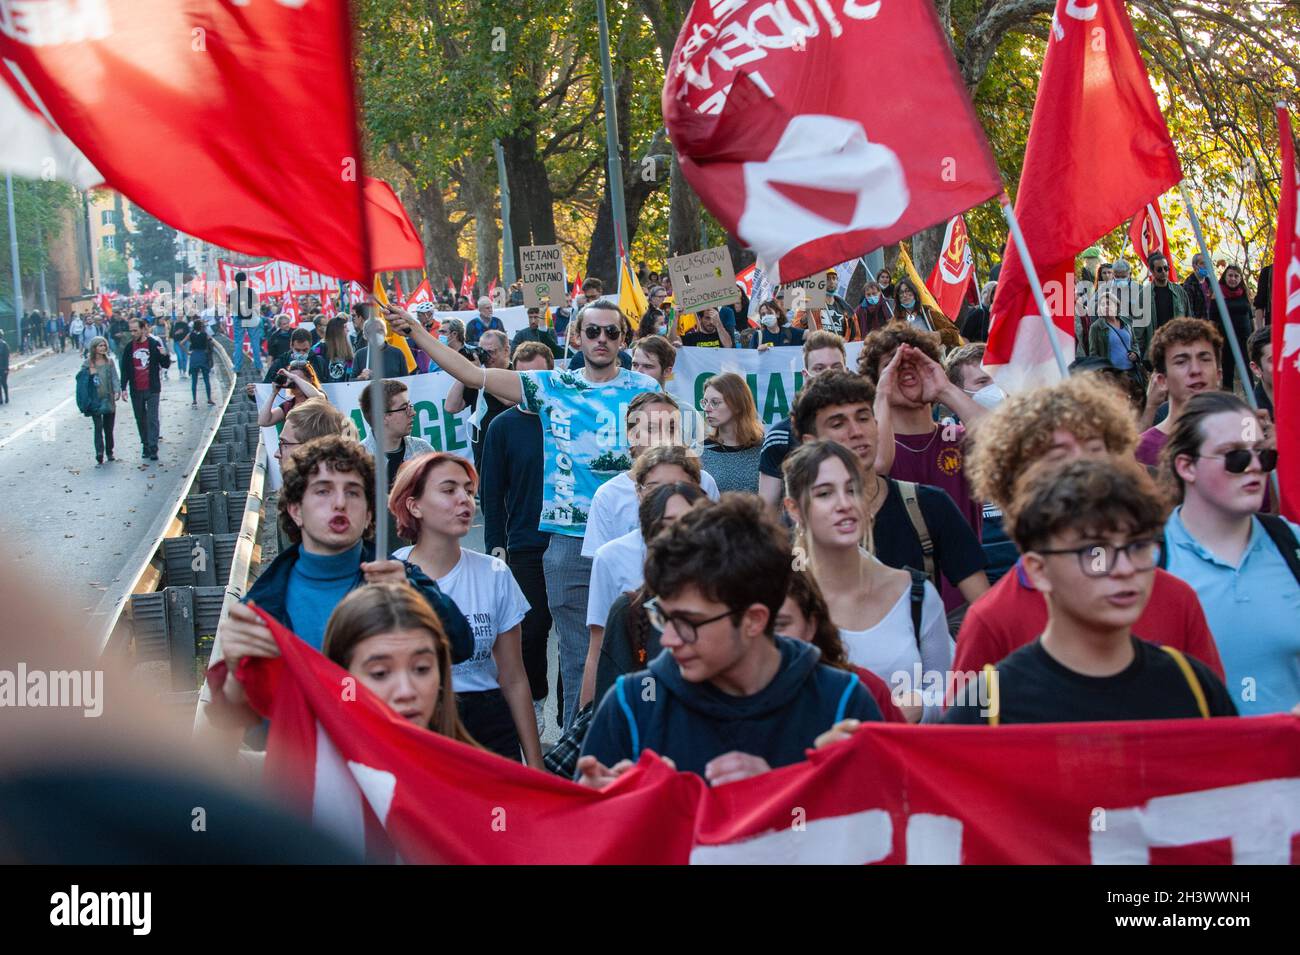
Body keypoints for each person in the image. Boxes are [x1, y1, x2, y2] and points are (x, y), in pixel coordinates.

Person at [387, 298, 658, 730]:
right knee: (576, 654)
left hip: (633, 538)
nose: (602, 339)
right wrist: (415, 334)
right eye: (593, 331)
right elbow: (473, 375)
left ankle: (639, 745)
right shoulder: (551, 386)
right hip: (569, 543)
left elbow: (669, 462)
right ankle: (578, 750)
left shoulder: (647, 390)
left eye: (612, 332)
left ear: (624, 338)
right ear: (576, 336)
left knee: (643, 649)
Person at [576, 494, 882, 787]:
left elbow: (882, 830)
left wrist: (788, 787)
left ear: (754, 620)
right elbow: (586, 835)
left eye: (689, 622)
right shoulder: (632, 706)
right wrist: (599, 809)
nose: (667, 639)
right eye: (663, 616)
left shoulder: (842, 704)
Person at [957, 375, 1224, 680]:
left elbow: (1213, 720)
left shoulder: (1176, 599)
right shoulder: (992, 619)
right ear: (1014, 477)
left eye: (1095, 449)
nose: (1081, 466)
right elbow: (970, 726)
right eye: (1057, 456)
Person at [944, 457, 1237, 724]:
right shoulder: (988, 703)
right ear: (1039, 570)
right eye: (1095, 552)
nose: (1124, 569)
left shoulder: (1193, 685)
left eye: (1138, 547)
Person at [791, 370, 989, 622]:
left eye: (863, 418)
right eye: (838, 423)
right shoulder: (796, 529)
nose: (856, 431)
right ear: (811, 442)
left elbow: (986, 609)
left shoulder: (929, 506)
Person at [390, 453, 544, 767]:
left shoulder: (495, 573)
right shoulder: (389, 576)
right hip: (419, 727)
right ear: (414, 505)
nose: (465, 499)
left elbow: (513, 677)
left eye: (468, 491)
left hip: (489, 727)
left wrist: (536, 765)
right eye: (449, 490)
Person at [783, 439, 952, 721]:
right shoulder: (780, 600)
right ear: (794, 510)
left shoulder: (916, 594)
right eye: (824, 493)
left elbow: (949, 693)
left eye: (853, 490)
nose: (844, 504)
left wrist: (920, 706)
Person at [1162, 391, 1298, 715]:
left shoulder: (1292, 545)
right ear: (1187, 466)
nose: (1254, 467)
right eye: (1234, 456)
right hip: (1194, 761)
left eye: (1263, 455)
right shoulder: (1144, 560)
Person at [479, 343, 557, 727]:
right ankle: (538, 698)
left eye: (539, 378)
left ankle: (571, 708)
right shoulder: (502, 427)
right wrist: (495, 542)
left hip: (572, 539)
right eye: (524, 379)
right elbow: (491, 492)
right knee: (532, 630)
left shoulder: (570, 417)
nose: (532, 386)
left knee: (577, 632)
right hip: (525, 543)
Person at [584, 478, 707, 710]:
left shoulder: (734, 607)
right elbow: (608, 709)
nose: (679, 535)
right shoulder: (628, 611)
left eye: (691, 523)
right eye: (667, 525)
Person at [859, 323, 988, 535]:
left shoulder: (960, 437)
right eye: (892, 362)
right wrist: (881, 395)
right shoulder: (869, 450)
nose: (905, 366)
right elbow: (878, 466)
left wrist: (945, 389)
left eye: (915, 360)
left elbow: (1004, 439)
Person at [757, 332, 893, 513]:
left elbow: (882, 465)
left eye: (836, 367)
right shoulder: (780, 436)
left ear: (846, 370)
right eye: (820, 368)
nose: (829, 374)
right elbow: (768, 511)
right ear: (806, 375)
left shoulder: (870, 421)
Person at [582, 392, 719, 558]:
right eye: (651, 428)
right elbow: (602, 563)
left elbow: (714, 547)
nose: (664, 436)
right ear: (632, 436)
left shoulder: (703, 482)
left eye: (672, 428)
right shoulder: (608, 495)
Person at [777, 571, 907, 722]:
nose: (767, 637)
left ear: (810, 626)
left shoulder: (863, 688)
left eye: (779, 625)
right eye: (753, 623)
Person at [1134, 318, 1222, 467]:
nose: (1195, 370)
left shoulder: (1241, 437)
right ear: (1162, 380)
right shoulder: (1142, 450)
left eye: (1204, 359)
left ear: (1219, 374)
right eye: (1181, 362)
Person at [446, 328, 510, 473]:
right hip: (484, 455)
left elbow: (509, 400)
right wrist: (466, 371)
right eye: (483, 351)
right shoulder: (478, 376)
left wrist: (478, 377)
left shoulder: (516, 372)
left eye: (492, 352)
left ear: (506, 350)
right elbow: (451, 407)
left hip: (511, 452)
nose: (487, 356)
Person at [358, 378, 434, 488]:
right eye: (404, 408)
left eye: (410, 406)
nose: (413, 412)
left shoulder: (423, 450)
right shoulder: (358, 461)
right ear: (383, 417)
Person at [699, 372, 764, 494]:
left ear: (737, 405)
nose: (707, 409)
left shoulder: (765, 449)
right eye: (705, 402)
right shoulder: (698, 452)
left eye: (715, 402)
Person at [118, 317, 170, 462]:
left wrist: (164, 354)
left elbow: (165, 365)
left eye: (135, 330)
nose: (133, 333)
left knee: (152, 418)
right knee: (140, 419)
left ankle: (153, 447)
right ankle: (145, 445)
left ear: (143, 329)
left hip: (152, 387)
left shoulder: (153, 344)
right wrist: (123, 387)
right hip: (136, 389)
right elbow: (125, 369)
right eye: (131, 330)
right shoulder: (129, 347)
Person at [79, 336, 120, 465]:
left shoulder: (109, 362)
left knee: (109, 428)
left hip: (108, 398)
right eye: (100, 346)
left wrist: (117, 390)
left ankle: (110, 451)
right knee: (98, 427)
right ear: (94, 348)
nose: (103, 348)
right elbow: (81, 381)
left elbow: (114, 377)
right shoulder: (87, 363)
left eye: (104, 345)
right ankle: (99, 452)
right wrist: (90, 373)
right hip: (95, 400)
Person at [1216, 264, 1254, 393]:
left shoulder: (1244, 293)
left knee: (1248, 370)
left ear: (1240, 278)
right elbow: (1212, 319)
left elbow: (1250, 316)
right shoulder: (1218, 293)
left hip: (1245, 339)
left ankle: (1251, 399)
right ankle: (1228, 403)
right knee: (1228, 372)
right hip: (1226, 340)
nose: (1233, 279)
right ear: (1225, 277)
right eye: (1230, 275)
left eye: (1236, 276)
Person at [892, 279, 961, 350]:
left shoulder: (928, 312)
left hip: (931, 357)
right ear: (898, 298)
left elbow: (954, 332)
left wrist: (938, 335)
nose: (905, 295)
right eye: (900, 292)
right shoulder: (897, 319)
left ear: (914, 292)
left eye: (907, 290)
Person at [257, 359, 324, 429]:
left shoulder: (319, 395)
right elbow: (263, 421)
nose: (295, 382)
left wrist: (294, 377)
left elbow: (317, 398)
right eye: (291, 379)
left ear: (310, 380)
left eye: (299, 379)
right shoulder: (288, 406)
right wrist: (274, 393)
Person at [1138, 251, 1190, 339]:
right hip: (1156, 344)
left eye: (1166, 268)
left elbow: (1189, 318)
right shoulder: (1144, 294)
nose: (1163, 272)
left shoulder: (1179, 291)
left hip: (1178, 341)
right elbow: (1139, 329)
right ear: (1152, 271)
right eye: (1159, 269)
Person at [262, 327, 328, 387]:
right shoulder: (281, 362)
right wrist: (253, 393)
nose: (301, 353)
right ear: (291, 345)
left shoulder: (319, 362)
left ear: (310, 345)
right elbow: (266, 387)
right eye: (297, 350)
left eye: (305, 350)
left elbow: (328, 386)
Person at [228, 271, 263, 375]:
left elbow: (231, 307)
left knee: (238, 343)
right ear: (245, 280)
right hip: (251, 318)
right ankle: (258, 366)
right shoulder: (250, 291)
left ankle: (237, 367)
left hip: (238, 318)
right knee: (255, 342)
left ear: (236, 281)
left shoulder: (233, 293)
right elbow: (256, 306)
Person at [312, 315, 356, 384]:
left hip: (344, 389)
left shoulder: (347, 347)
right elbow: (312, 360)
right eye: (345, 327)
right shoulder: (319, 347)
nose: (348, 329)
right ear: (337, 330)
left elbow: (349, 371)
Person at [187, 317, 215, 406]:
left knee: (194, 380)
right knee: (206, 379)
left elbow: (181, 343)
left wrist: (187, 352)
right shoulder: (204, 334)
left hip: (194, 356)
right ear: (201, 326)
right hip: (203, 356)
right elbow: (212, 341)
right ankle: (209, 399)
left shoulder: (190, 334)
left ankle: (194, 400)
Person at [1247, 328, 1274, 418]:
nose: (1282, 366)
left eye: (1285, 357)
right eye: (1273, 360)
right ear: (1256, 368)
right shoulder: (1251, 416)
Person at [1183, 252, 1215, 320]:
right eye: (1202, 263)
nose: (1206, 266)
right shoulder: (1189, 284)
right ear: (1194, 266)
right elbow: (1189, 311)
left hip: (1211, 323)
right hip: (1198, 325)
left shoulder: (1211, 283)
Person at [0, 329, 8, 404]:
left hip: (3, 367)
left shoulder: (4, 344)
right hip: (3, 367)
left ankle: (6, 396)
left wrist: (6, 368)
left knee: (3, 383)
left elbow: (6, 357)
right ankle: (1, 399)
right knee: (2, 383)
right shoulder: (4, 344)